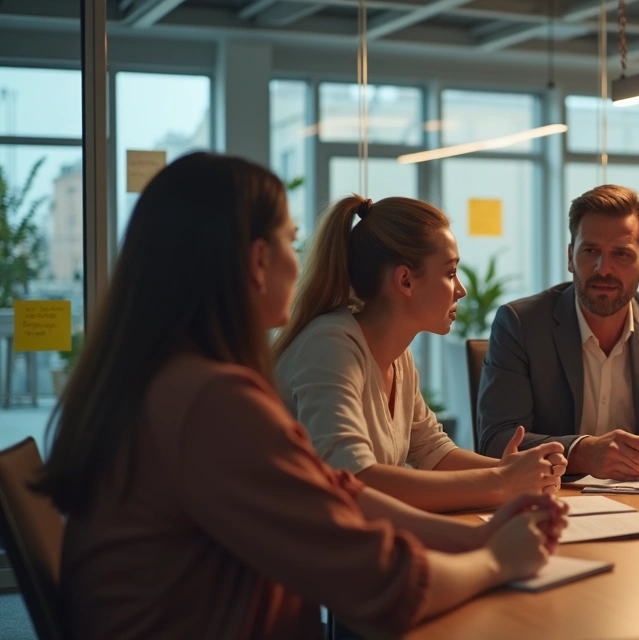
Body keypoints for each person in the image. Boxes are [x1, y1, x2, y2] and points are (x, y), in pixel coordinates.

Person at [35, 152, 567, 639]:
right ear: (258, 261)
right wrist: (497, 559)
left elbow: (334, 493)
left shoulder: (173, 381)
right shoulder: (212, 403)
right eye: (291, 242)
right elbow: (379, 581)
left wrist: (479, 539)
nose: (300, 261)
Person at [273, 196, 567, 513]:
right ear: (405, 280)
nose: (461, 290)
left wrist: (510, 472)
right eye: (451, 273)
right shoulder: (329, 346)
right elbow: (354, 480)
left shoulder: (399, 356)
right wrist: (501, 482)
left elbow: (433, 452)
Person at [477, 185, 639, 480]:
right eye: (591, 251)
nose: (603, 268)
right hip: (549, 497)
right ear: (570, 257)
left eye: (621, 254)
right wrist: (582, 451)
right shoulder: (522, 324)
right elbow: (497, 439)